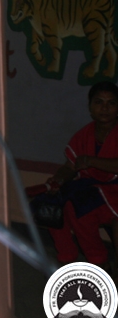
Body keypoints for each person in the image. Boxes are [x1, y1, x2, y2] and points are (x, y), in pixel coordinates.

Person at [46, 81, 118, 267]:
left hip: (114, 193)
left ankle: (98, 261)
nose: (104, 108)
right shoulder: (84, 134)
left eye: (111, 103)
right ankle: (66, 258)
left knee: (80, 209)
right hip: (92, 191)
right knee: (56, 204)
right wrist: (58, 179)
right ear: (90, 107)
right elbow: (70, 167)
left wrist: (91, 161)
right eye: (99, 102)